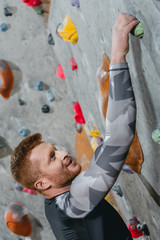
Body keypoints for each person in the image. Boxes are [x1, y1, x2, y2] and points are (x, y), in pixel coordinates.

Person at [10, 13, 139, 240]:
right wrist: (118, 55)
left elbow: (105, 155)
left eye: (55, 148)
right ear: (42, 183)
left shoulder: (57, 205)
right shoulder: (72, 205)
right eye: (52, 157)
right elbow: (118, 138)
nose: (63, 153)